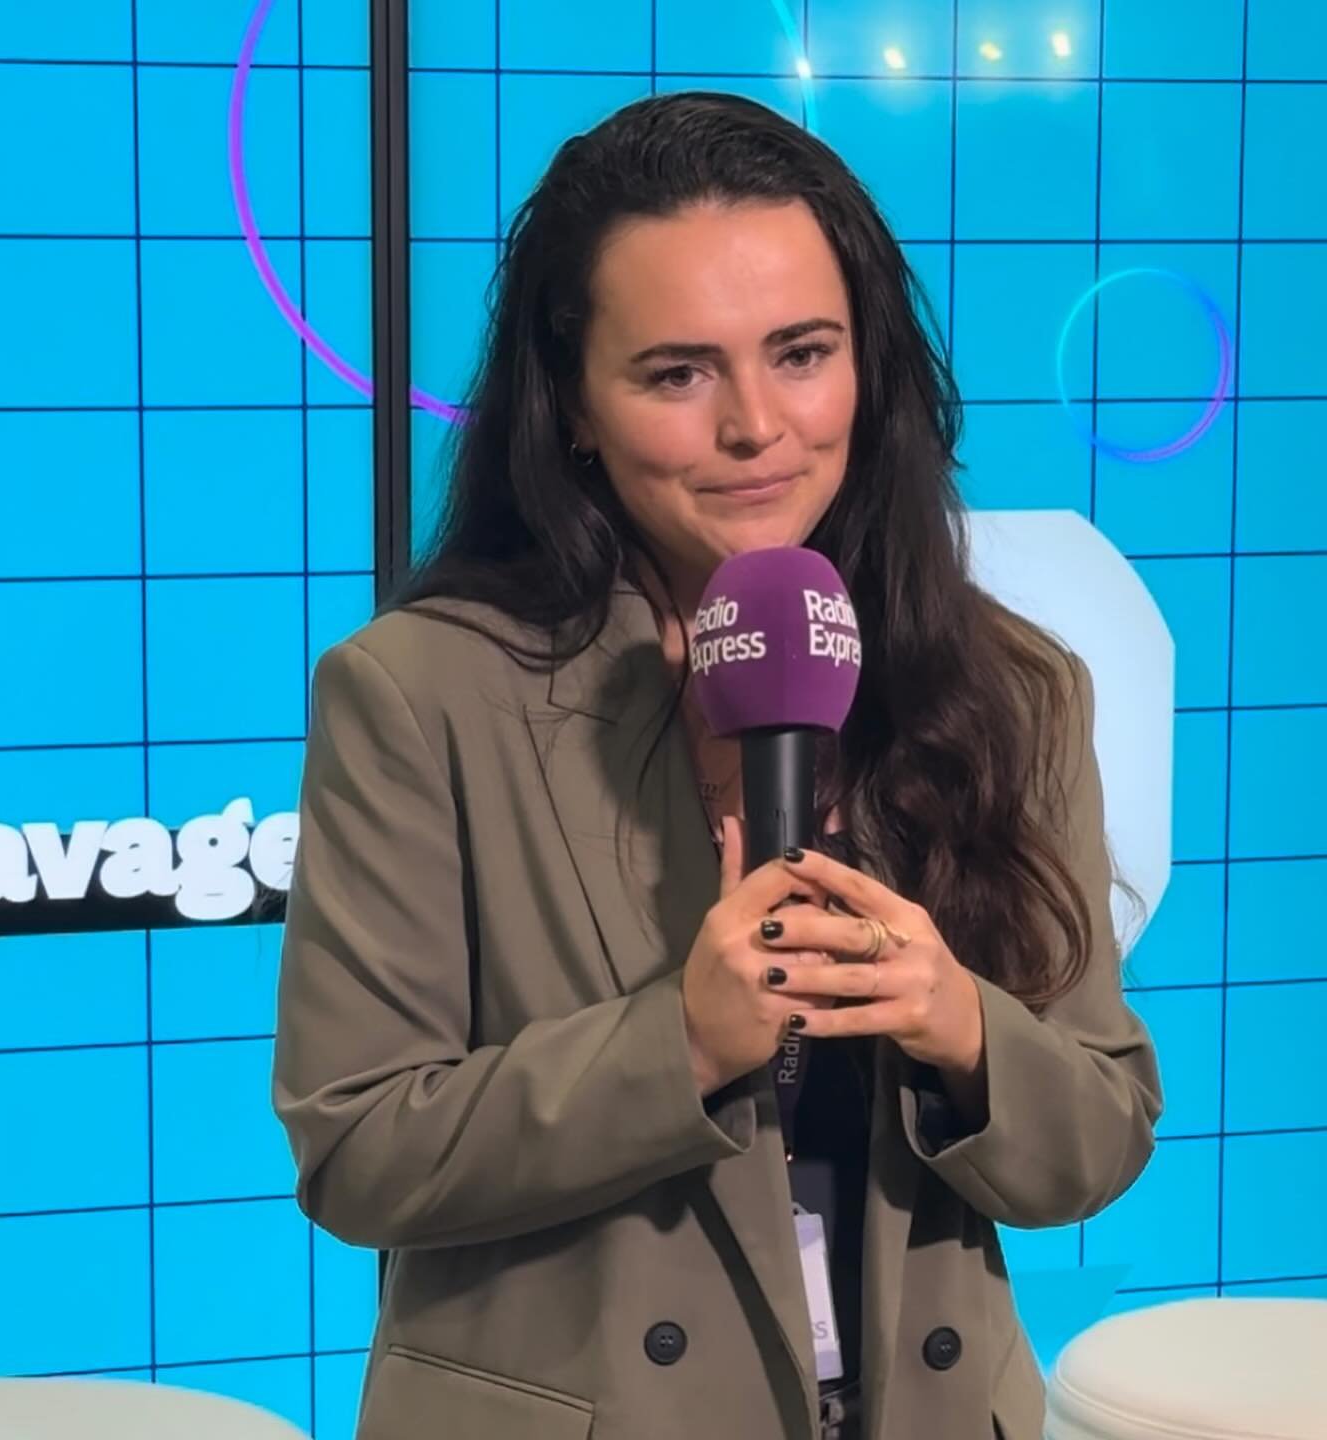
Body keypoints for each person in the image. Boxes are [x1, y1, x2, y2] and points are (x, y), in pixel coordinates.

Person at [270, 91, 1164, 1440]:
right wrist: (676, 1044)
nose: (757, 424)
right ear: (575, 403)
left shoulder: (1014, 689)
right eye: (678, 373)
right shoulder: (420, 695)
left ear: (868, 366)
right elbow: (358, 1148)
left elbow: (1098, 1133)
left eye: (802, 353)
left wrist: (960, 1026)